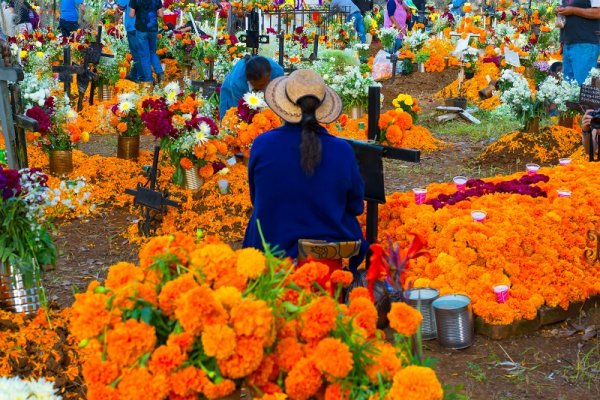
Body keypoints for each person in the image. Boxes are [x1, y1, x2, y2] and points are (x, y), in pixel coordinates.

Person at [242, 69, 368, 273]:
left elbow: (256, 198)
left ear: (283, 105)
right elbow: (356, 206)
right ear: (322, 107)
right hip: (325, 254)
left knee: (261, 217)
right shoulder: (341, 149)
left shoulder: (263, 144)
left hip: (272, 249)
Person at [219, 55, 284, 120]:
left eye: (268, 81)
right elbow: (242, 111)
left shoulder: (277, 72)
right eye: (261, 85)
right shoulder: (237, 82)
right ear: (250, 81)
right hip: (230, 95)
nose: (265, 87)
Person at [556, 1, 600, 85]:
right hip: (568, 42)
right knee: (568, 87)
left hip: (585, 43)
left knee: (582, 86)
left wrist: (573, 11)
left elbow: (598, 12)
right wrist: (559, 10)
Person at [129, 0, 164, 84]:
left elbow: (131, 15)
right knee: (152, 52)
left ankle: (149, 79)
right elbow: (161, 14)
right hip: (153, 29)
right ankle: (159, 71)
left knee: (144, 55)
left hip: (141, 29)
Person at [116, 0, 141, 82]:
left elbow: (121, 7)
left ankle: (138, 76)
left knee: (136, 53)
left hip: (133, 27)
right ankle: (134, 74)